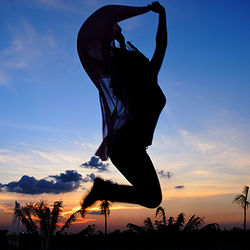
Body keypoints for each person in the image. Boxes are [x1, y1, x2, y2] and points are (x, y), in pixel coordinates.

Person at [77, 2, 167, 213]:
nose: (144, 57)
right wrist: (161, 15)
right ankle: (104, 190)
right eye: (140, 57)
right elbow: (160, 45)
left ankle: (104, 190)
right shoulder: (144, 79)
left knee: (152, 197)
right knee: (152, 197)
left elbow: (160, 45)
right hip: (127, 146)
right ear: (138, 65)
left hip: (128, 146)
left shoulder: (139, 80)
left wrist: (160, 15)